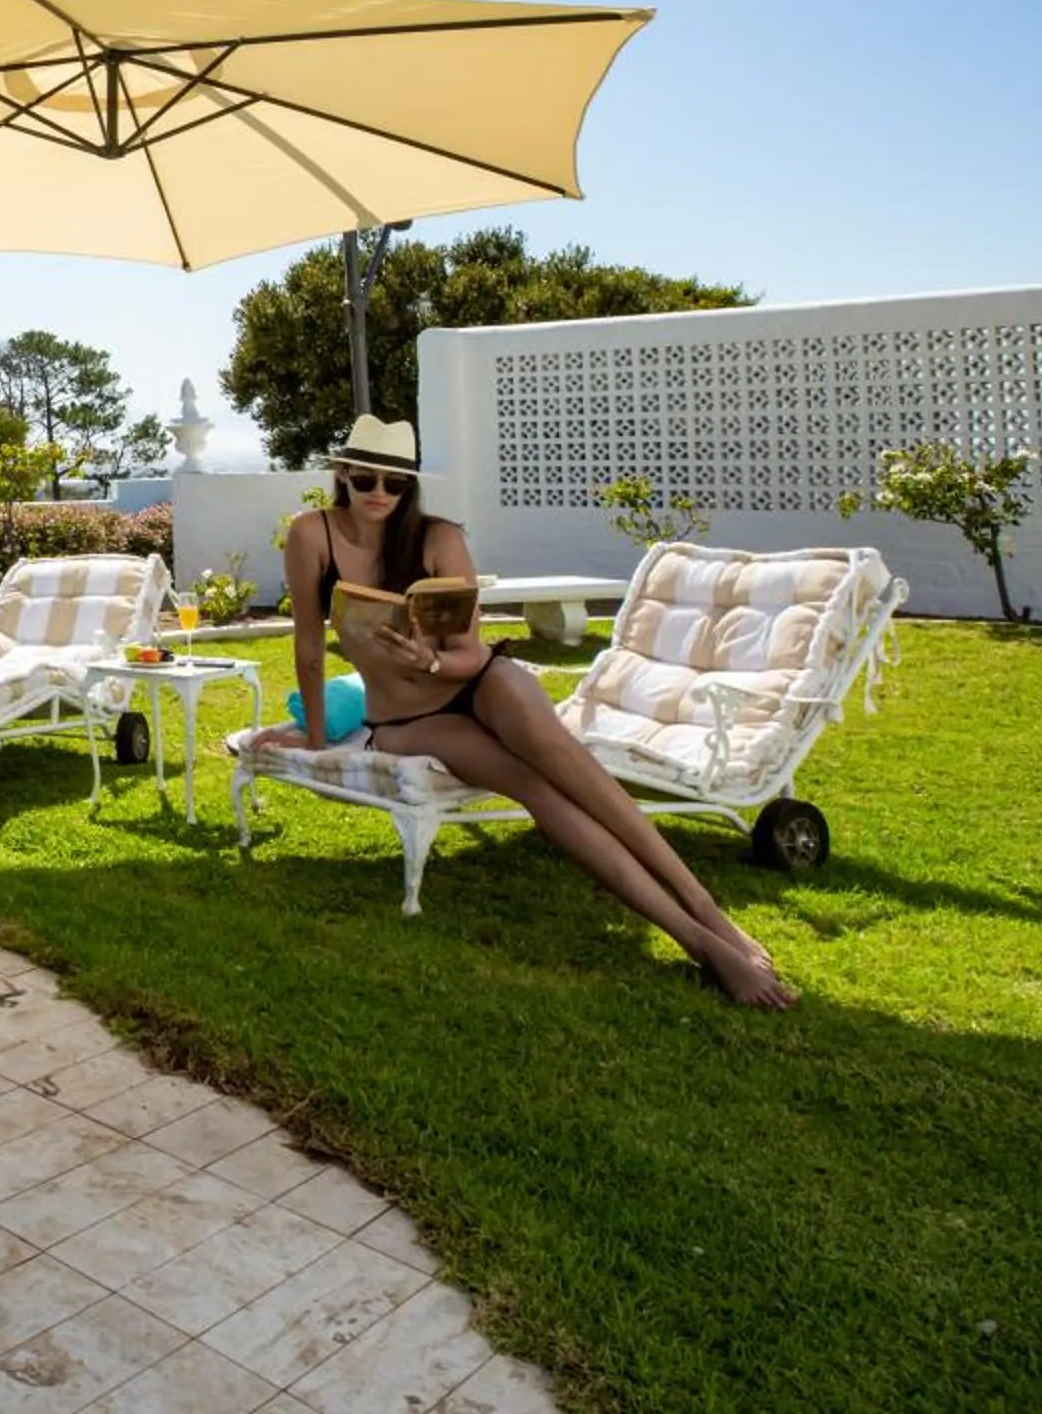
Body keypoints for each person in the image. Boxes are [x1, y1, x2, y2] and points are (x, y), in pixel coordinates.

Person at [250, 416, 794, 1008]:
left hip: (474, 680)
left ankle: (712, 915)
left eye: (397, 482)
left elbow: (469, 654)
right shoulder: (312, 536)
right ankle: (697, 943)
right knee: (535, 786)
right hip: (408, 721)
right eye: (366, 477)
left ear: (411, 487)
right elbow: (307, 642)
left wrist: (427, 661)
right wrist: (311, 731)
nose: (380, 492)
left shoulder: (438, 539)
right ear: (343, 475)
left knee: (576, 770)